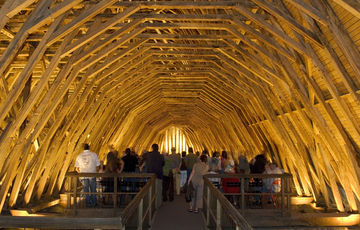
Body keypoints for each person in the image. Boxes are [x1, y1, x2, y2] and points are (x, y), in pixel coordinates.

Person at [74, 143, 100, 207]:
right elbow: (98, 165)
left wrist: (80, 173)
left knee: (86, 190)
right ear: (89, 147)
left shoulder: (79, 156)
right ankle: (94, 202)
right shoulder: (94, 155)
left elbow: (76, 168)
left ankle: (88, 203)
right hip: (92, 174)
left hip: (83, 175)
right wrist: (95, 171)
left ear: (83, 148)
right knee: (93, 189)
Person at [146, 144, 165, 209]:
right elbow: (163, 164)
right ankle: (158, 204)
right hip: (159, 174)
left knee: (150, 190)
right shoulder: (161, 156)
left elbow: (147, 163)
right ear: (158, 148)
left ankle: (151, 204)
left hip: (150, 174)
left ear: (152, 148)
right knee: (159, 190)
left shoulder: (149, 155)